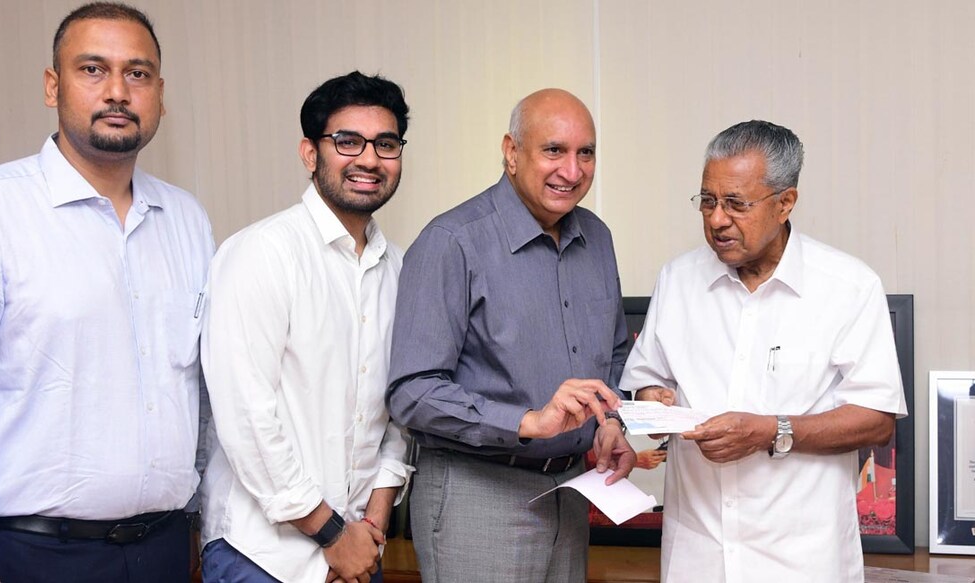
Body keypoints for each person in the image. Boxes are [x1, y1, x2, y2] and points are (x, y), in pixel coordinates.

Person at [0, 3, 213, 582]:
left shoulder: (186, 219)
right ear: (52, 85)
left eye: (137, 73)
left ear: (160, 93)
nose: (117, 90)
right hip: (28, 556)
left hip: (163, 549)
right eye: (93, 69)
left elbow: (202, 399)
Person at [620, 120, 908, 582]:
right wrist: (651, 399)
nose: (716, 219)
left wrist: (771, 431)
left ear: (785, 202)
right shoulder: (677, 280)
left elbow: (877, 419)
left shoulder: (848, 287)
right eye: (708, 201)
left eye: (736, 204)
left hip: (801, 561)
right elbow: (644, 379)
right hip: (698, 555)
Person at [387, 88, 635, 583]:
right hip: (478, 494)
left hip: (571, 491)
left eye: (585, 152)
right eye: (553, 150)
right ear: (511, 151)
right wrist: (530, 421)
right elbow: (411, 392)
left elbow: (613, 354)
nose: (572, 170)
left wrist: (611, 424)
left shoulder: (598, 238)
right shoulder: (451, 242)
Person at [199, 71, 412, 583]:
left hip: (360, 553)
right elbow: (247, 418)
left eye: (386, 144)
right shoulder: (260, 254)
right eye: (347, 141)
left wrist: (370, 530)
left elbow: (398, 415)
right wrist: (333, 534)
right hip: (261, 557)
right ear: (309, 152)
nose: (368, 159)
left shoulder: (401, 270)